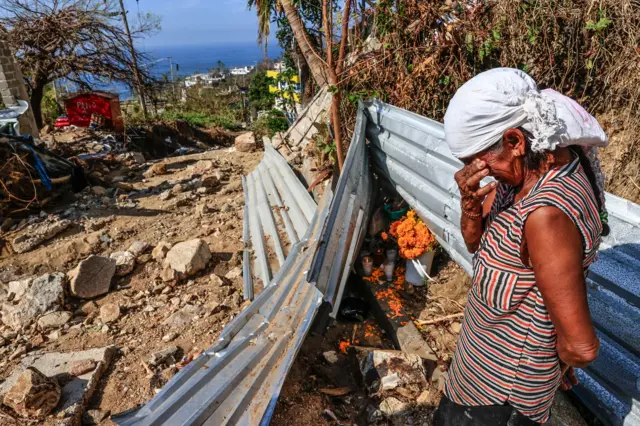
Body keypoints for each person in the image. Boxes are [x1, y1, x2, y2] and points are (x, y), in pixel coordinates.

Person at [433, 68, 609, 426]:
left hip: (498, 401)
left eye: (480, 161)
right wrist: (469, 202)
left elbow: (581, 347)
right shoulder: (524, 174)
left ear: (515, 141)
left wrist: (549, 361)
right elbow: (474, 243)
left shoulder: (545, 215)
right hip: (479, 374)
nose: (476, 172)